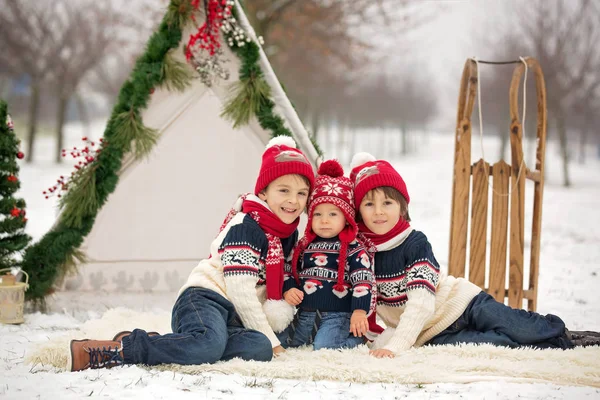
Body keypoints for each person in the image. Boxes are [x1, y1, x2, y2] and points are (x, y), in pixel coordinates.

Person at [68, 136, 315, 371]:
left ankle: (180, 343)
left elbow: (280, 278)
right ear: (263, 192)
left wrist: (270, 339)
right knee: (212, 344)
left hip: (234, 317)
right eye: (283, 191)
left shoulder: (288, 234)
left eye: (301, 193)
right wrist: (275, 343)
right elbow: (240, 291)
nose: (293, 200)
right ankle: (119, 350)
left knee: (259, 348)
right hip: (204, 299)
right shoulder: (246, 227)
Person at [348, 152, 600, 359]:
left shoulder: (415, 243)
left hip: (463, 304)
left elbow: (421, 303)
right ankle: (561, 346)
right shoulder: (361, 253)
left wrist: (395, 347)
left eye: (387, 203)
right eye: (369, 204)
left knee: (520, 328)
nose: (379, 212)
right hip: (433, 334)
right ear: (359, 211)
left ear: (403, 206)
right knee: (501, 345)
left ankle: (568, 335)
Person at [278, 159, 376, 350]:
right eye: (317, 214)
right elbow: (288, 268)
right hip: (306, 312)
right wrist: (288, 288)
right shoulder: (303, 245)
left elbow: (363, 281)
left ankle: (356, 341)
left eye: (333, 214)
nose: (324, 221)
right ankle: (313, 337)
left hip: (338, 314)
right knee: (285, 342)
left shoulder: (353, 248)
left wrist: (358, 310)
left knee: (324, 347)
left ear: (346, 218)